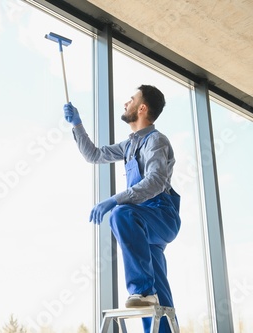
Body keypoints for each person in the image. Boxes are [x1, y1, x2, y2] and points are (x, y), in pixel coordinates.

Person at [63, 85, 180, 333]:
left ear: (142, 108)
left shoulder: (155, 141)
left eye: (131, 99)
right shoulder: (128, 147)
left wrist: (114, 200)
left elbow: (156, 181)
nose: (125, 103)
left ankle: (141, 290)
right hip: (143, 224)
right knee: (160, 297)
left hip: (160, 214)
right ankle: (152, 302)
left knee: (121, 213)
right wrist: (77, 124)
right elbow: (94, 155)